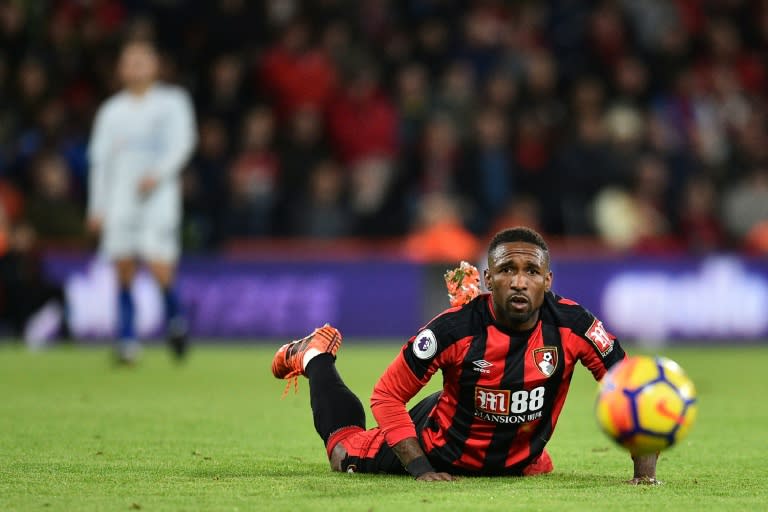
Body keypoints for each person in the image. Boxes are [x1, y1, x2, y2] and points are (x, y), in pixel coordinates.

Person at [271, 226, 659, 483]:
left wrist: (644, 476)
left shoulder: (574, 325)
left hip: (505, 450)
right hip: (437, 441)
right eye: (507, 270)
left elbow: (632, 390)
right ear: (488, 280)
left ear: (548, 280)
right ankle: (314, 356)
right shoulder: (453, 328)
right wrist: (421, 468)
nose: (520, 281)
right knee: (343, 452)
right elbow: (387, 395)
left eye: (531, 271)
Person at [86, 39, 197, 363]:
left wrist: (159, 173)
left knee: (160, 265)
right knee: (123, 265)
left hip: (158, 199)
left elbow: (184, 142)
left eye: (142, 60)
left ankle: (176, 323)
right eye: (129, 61)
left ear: (155, 65)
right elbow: (100, 162)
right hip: (121, 199)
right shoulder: (111, 111)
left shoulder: (173, 102)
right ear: (120, 68)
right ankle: (127, 341)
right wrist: (97, 207)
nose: (135, 67)